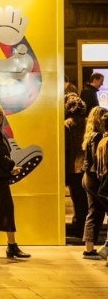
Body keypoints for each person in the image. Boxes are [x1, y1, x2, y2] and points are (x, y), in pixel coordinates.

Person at [0, 104, 30, 258]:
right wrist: (11, 167)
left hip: (0, 178)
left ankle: (11, 245)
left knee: (3, 212)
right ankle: (7, 246)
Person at [82, 106, 108, 259]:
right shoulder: (98, 137)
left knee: (94, 212)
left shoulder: (89, 135)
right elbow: (98, 161)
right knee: (97, 211)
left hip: (87, 177)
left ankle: (89, 249)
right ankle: (104, 248)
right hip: (96, 179)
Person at [64, 93, 88, 238]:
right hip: (86, 165)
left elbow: (65, 148)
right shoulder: (88, 122)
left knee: (76, 197)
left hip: (73, 167)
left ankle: (78, 225)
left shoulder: (67, 124)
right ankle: (85, 226)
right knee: (86, 198)